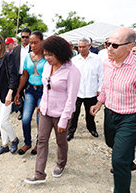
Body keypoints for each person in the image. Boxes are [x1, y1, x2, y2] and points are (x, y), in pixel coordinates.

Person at [24, 36, 80, 184]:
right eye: (46, 54)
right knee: (41, 140)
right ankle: (39, 174)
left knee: (61, 142)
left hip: (62, 113)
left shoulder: (72, 71)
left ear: (60, 53)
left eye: (50, 55)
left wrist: (64, 119)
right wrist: (42, 104)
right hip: (45, 110)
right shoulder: (47, 66)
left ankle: (61, 164)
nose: (47, 58)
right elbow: (46, 88)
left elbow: (71, 98)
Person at [90, 27, 136, 193]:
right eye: (107, 43)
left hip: (130, 118)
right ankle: (128, 154)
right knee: (111, 142)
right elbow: (106, 87)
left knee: (118, 161)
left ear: (130, 46)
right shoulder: (107, 63)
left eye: (115, 45)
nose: (109, 48)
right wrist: (99, 103)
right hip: (109, 113)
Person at [14, 30, 46, 155]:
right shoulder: (28, 56)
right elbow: (24, 75)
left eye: (35, 43)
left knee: (40, 121)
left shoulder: (47, 57)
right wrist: (18, 92)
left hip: (43, 91)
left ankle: (39, 144)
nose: (32, 45)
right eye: (31, 43)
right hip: (30, 91)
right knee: (26, 119)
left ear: (42, 42)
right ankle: (27, 143)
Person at [67, 37, 103, 141]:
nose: (81, 49)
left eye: (83, 47)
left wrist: (100, 89)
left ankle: (91, 128)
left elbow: (101, 76)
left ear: (89, 46)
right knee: (74, 113)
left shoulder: (97, 59)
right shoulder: (74, 60)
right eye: (79, 47)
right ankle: (71, 132)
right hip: (77, 92)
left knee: (90, 113)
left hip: (91, 92)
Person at [0, 34, 19, 155]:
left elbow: (13, 76)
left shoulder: (8, 57)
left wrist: (10, 93)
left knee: (2, 121)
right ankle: (4, 145)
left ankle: (15, 139)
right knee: (1, 121)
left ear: (1, 44)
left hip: (6, 94)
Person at [11, 27, 31, 120]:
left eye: (27, 37)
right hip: (18, 75)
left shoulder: (33, 48)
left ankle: (28, 112)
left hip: (30, 76)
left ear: (30, 37)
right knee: (18, 95)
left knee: (28, 95)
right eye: (23, 37)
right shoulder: (16, 49)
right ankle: (22, 111)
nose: (24, 39)